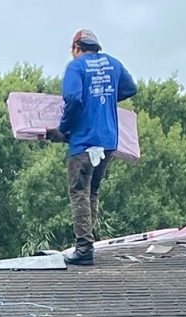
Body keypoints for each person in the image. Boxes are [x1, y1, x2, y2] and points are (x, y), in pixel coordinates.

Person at [47, 28, 137, 265]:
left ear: (76, 48)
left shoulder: (75, 67)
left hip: (84, 141)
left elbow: (74, 99)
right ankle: (89, 244)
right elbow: (130, 88)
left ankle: (84, 249)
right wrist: (101, 99)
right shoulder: (113, 64)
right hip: (107, 141)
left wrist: (63, 130)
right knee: (92, 191)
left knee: (79, 192)